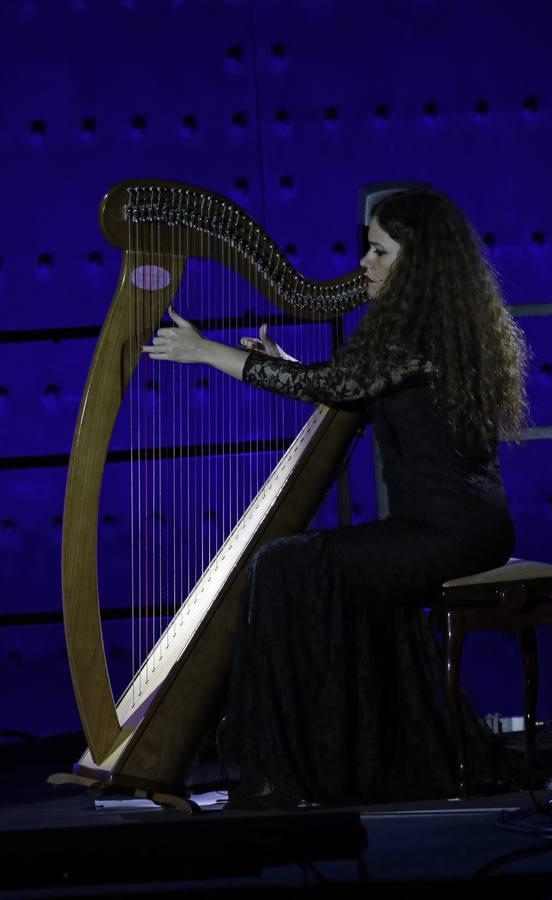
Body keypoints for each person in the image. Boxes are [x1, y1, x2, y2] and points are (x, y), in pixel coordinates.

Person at [142, 186, 531, 809]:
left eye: (378, 252)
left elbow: (337, 384)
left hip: (446, 534)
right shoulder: (434, 328)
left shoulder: (417, 333)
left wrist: (203, 351)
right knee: (313, 567)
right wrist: (284, 361)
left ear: (418, 262)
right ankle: (358, 759)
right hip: (465, 525)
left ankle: (288, 770)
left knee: (284, 563)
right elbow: (350, 388)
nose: (364, 266)